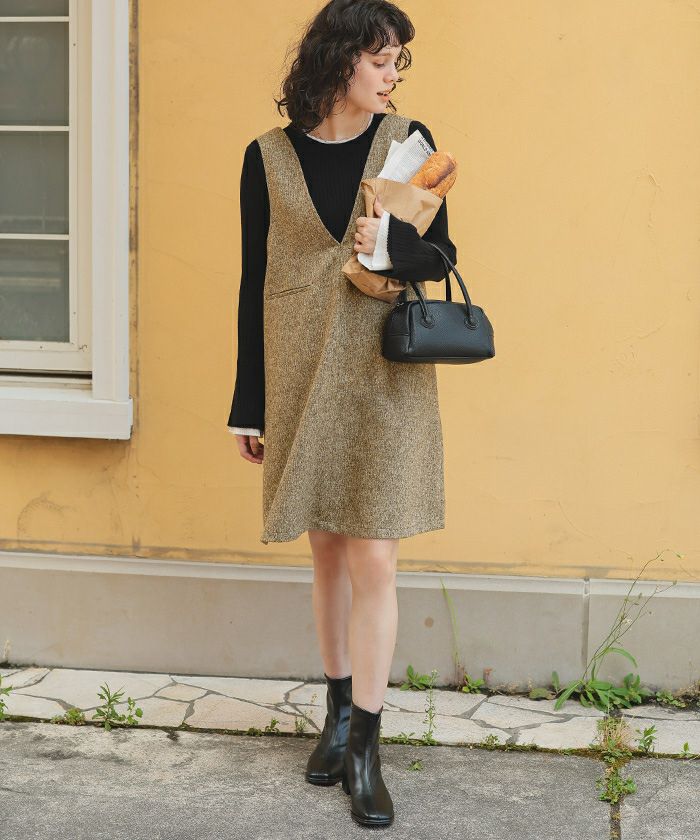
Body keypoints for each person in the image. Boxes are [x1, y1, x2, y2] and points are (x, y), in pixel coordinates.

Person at [227, 0, 456, 828]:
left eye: (398, 63)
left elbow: (443, 256)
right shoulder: (266, 157)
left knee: (376, 561)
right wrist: (246, 405)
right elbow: (253, 281)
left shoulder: (409, 144)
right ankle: (334, 714)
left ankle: (365, 746)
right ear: (339, 60)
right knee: (325, 552)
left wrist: (389, 248)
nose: (393, 76)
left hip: (385, 379)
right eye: (382, 60)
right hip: (298, 378)